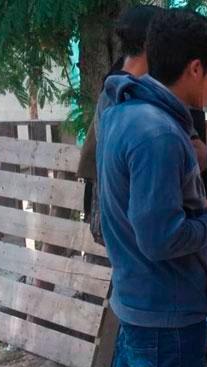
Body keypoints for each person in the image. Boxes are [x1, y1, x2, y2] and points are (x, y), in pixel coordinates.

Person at [96, 10, 207, 367]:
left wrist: (197, 208)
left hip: (137, 299)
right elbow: (160, 237)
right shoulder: (159, 133)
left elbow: (148, 215)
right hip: (167, 313)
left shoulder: (123, 110)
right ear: (195, 68)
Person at [78, 4, 163, 247]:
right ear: (150, 44)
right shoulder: (123, 91)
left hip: (121, 211)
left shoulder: (120, 82)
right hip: (123, 212)